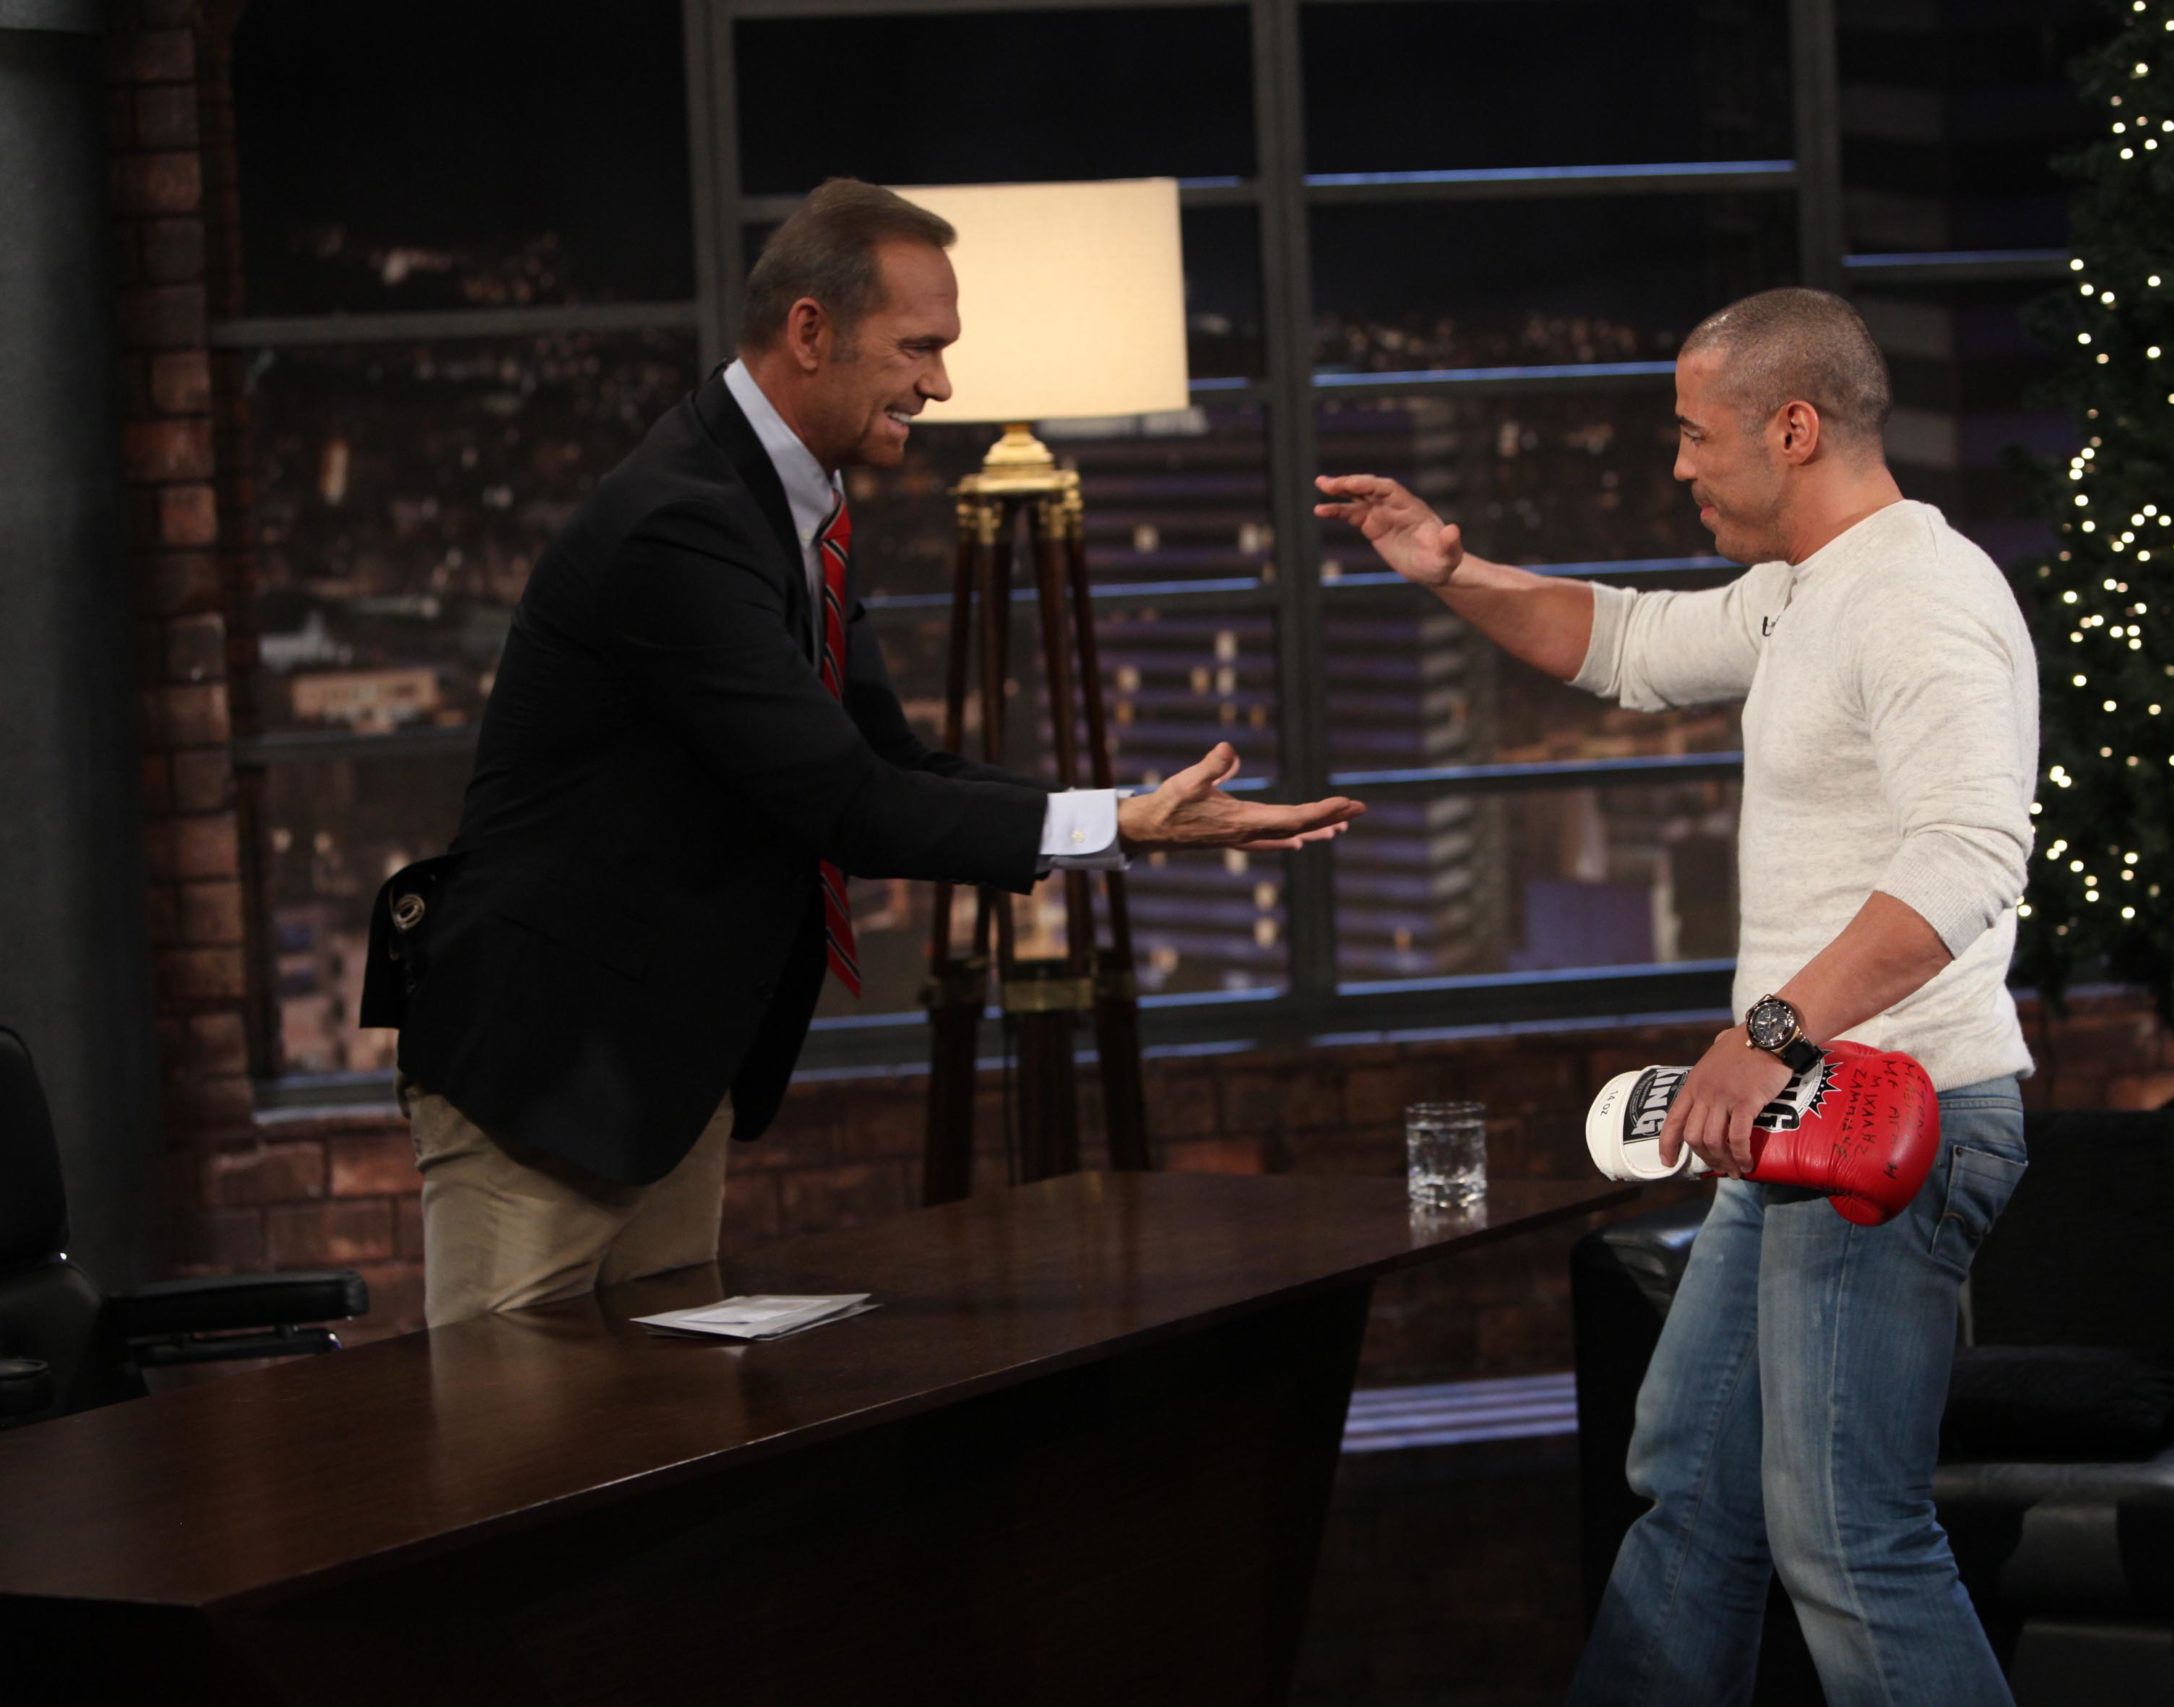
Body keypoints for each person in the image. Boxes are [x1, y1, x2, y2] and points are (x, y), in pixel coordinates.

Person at [365, 178, 1361, 1330]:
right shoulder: (680, 522)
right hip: (546, 1067)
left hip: (660, 1066)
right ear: (810, 331)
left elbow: (888, 760)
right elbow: (842, 800)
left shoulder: (789, 510)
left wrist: (1120, 813)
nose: (940, 386)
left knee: (653, 1417)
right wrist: (1121, 827)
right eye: (918, 348)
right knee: (510, 1428)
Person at [1316, 287, 2036, 1706]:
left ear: (1794, 426)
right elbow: (1629, 645)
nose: (1678, 462)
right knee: (1693, 1490)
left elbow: (1967, 854)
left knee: (1847, 1537)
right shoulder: (1807, 588)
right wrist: (1450, 568)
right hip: (1797, 1126)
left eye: (1698, 434)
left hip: (1894, 1125)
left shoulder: (1922, 599)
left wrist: (1767, 1034)